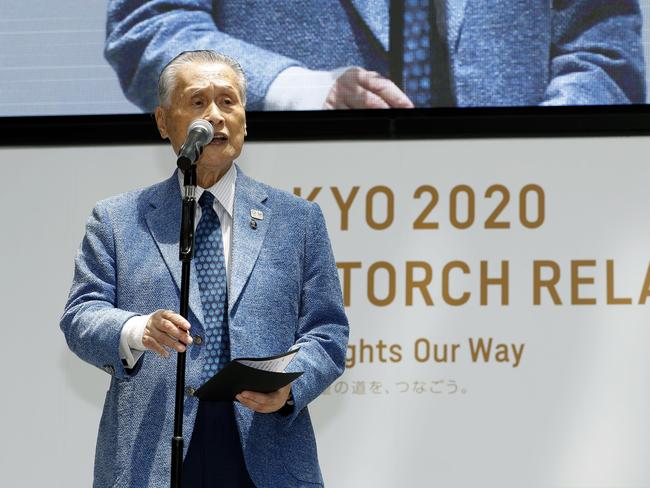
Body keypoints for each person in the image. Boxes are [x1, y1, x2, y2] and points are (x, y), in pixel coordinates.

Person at [60, 50, 349, 487]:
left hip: (264, 455)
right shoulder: (117, 220)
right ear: (162, 121)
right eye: (198, 103)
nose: (215, 116)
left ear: (245, 121)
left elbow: (327, 333)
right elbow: (81, 316)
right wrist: (137, 329)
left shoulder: (298, 220)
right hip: (152, 458)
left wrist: (289, 387)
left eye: (228, 102)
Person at [105, 0, 646, 112]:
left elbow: (601, 44)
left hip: (519, 242)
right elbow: (152, 30)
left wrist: (547, 146)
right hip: (279, 236)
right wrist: (302, 92)